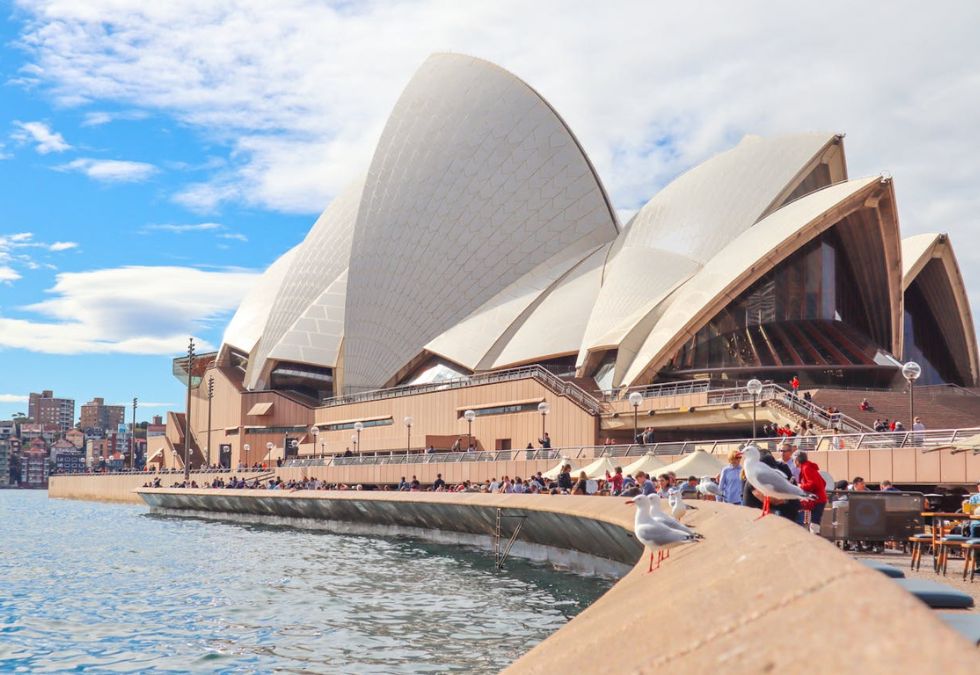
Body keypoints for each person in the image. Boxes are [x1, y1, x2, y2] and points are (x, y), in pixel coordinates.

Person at [795, 451, 827, 533]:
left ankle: (816, 542)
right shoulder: (808, 467)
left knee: (814, 524)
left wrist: (800, 486)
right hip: (819, 498)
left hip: (816, 499)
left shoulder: (806, 468)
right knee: (814, 523)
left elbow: (812, 484)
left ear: (797, 460)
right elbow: (823, 482)